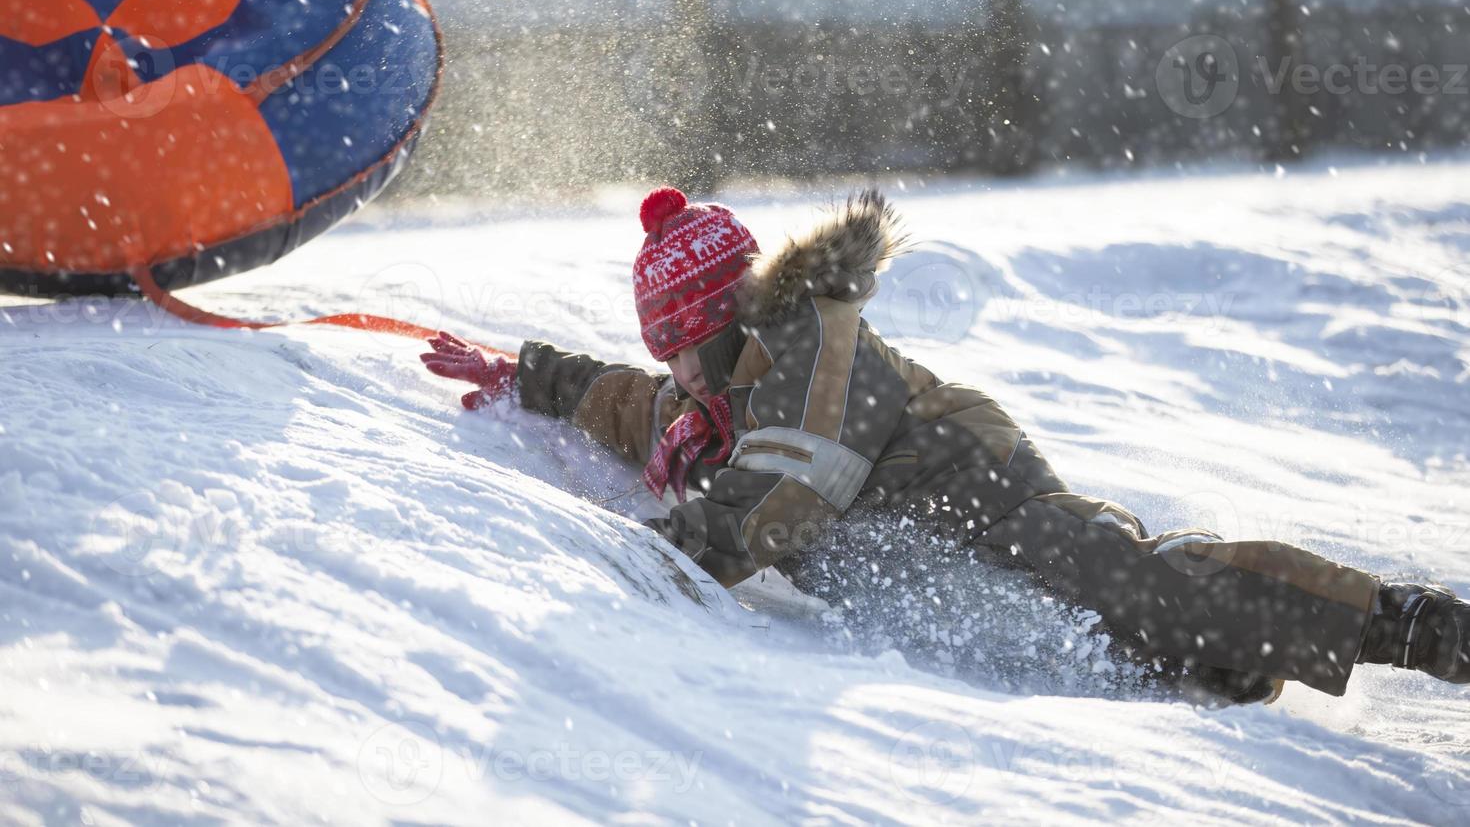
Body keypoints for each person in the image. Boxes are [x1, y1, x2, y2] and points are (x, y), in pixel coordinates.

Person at [420, 186, 1469, 702]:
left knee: (1149, 592)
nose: (677, 371)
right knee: (1179, 662)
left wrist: (644, 559)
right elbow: (632, 404)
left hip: (984, 490)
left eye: (685, 344)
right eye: (667, 350)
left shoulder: (808, 343)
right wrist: (529, 375)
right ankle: (1237, 663)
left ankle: (1411, 627)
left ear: (731, 316)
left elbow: (782, 493)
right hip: (933, 528)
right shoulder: (714, 400)